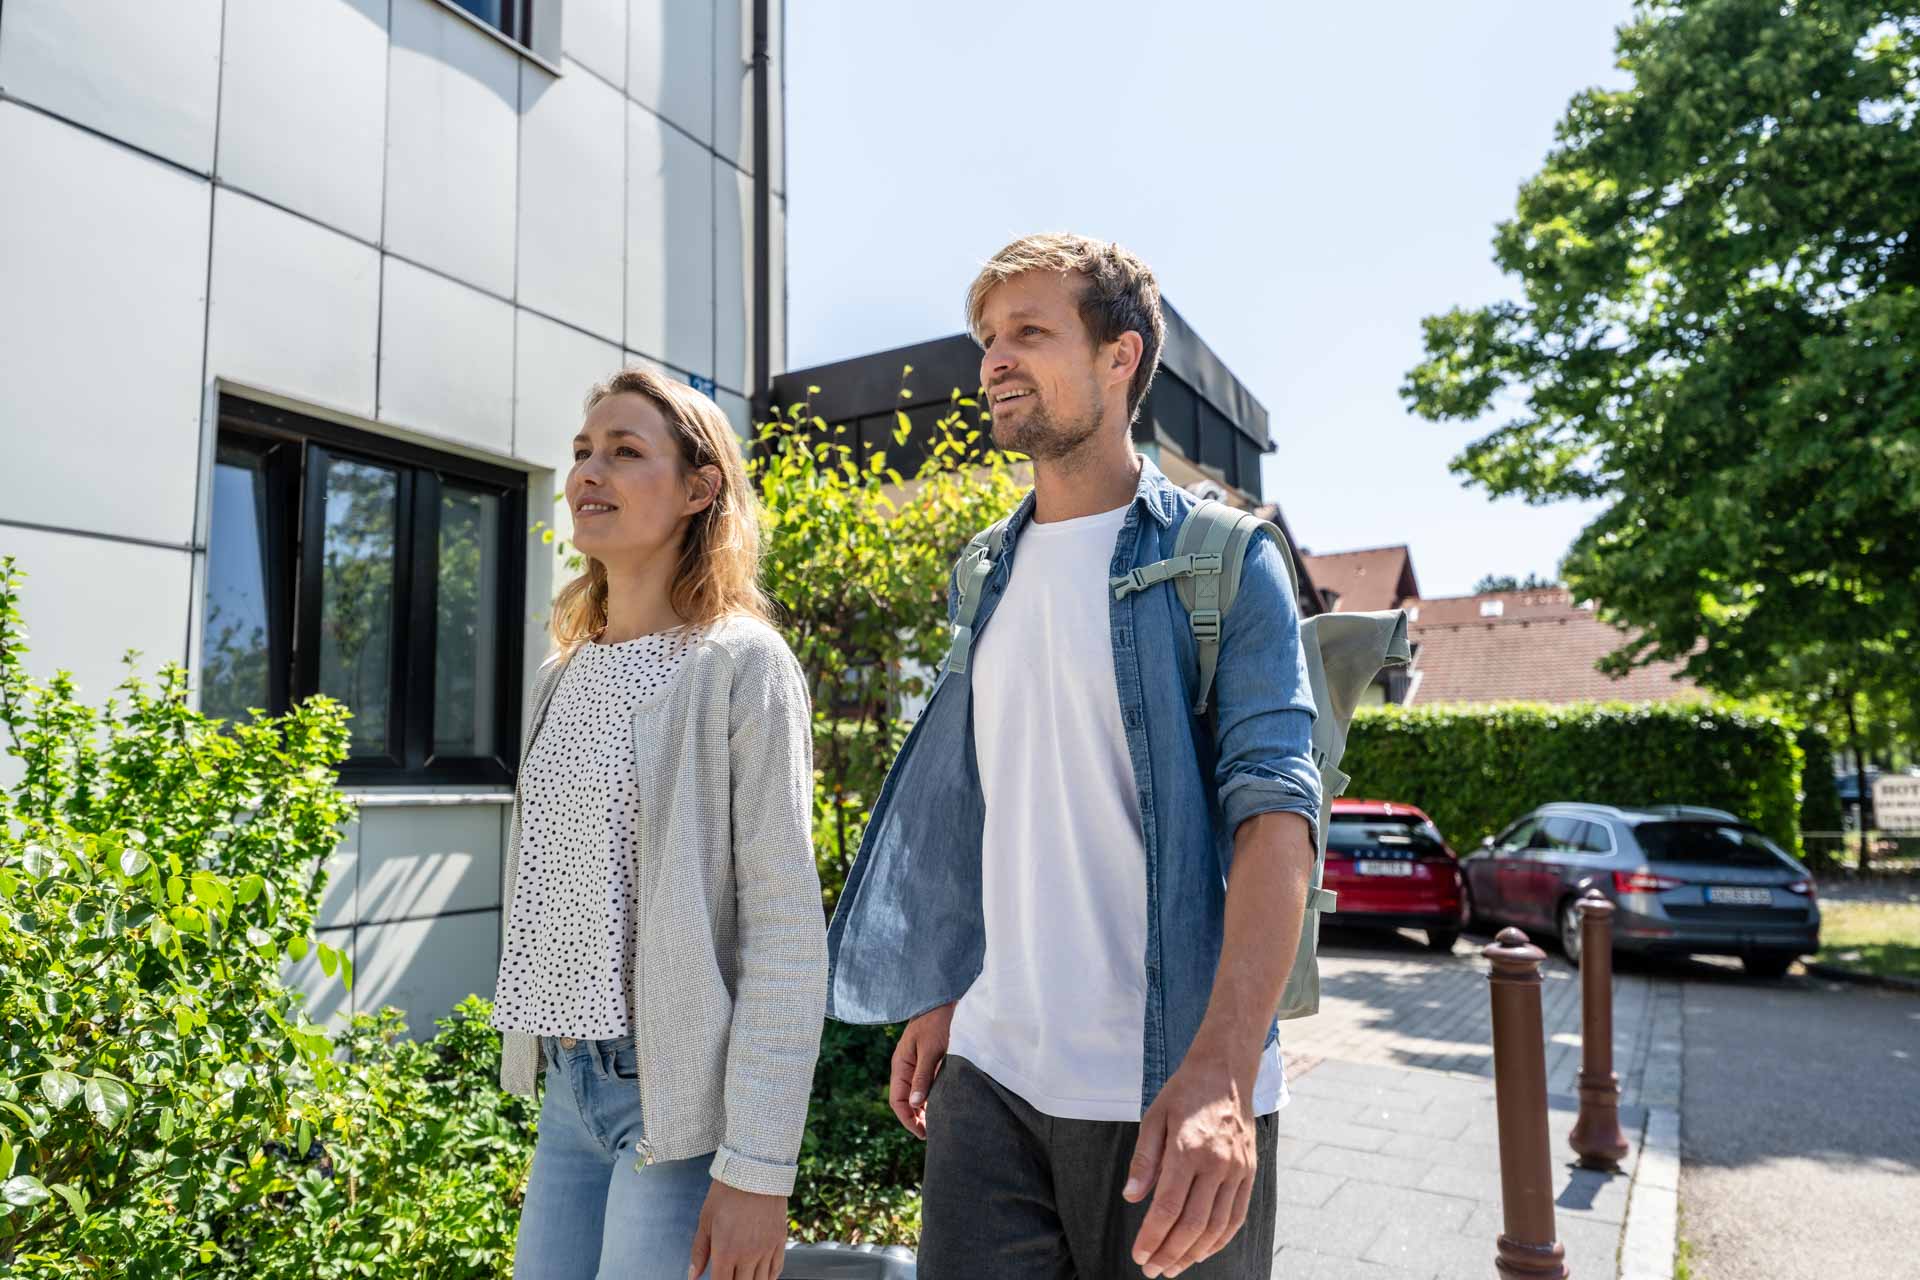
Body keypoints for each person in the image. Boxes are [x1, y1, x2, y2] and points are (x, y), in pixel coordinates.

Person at [825, 235, 1321, 1279]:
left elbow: (1279, 817)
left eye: (1030, 332)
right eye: (989, 339)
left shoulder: (1224, 559)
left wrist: (1226, 1071)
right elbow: (989, 803)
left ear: (1119, 357)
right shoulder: (983, 572)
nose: (994, 360)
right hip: (991, 1077)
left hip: (1169, 1091)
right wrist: (944, 986)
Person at [494, 367, 827, 1280]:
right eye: (581, 452)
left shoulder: (741, 665)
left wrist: (758, 1169)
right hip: (569, 1087)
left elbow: (787, 932)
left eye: (625, 452)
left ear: (697, 489)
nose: (587, 474)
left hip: (674, 1099)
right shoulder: (563, 672)